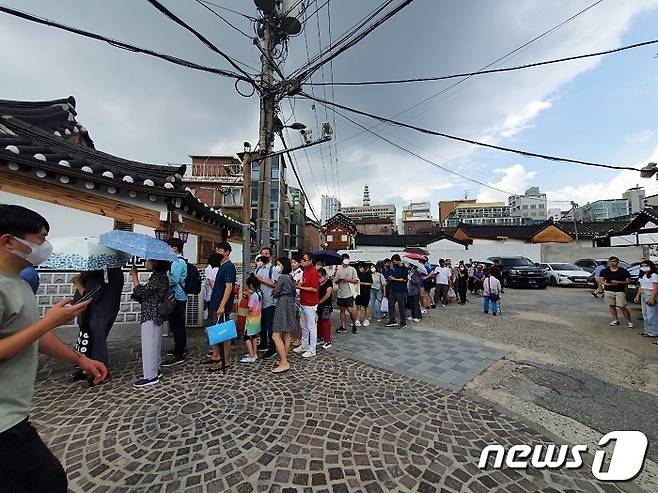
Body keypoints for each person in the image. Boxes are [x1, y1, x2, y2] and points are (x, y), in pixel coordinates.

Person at [0, 205, 106, 493]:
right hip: (4, 421)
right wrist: (48, 322)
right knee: (50, 482)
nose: (45, 246)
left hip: (14, 413)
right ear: (9, 241)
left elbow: (33, 335)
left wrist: (81, 358)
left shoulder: (19, 283)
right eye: (40, 238)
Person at [70, 267, 124, 384]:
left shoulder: (98, 270)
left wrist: (78, 283)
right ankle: (87, 368)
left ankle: (98, 371)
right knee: (93, 339)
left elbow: (92, 296)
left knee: (96, 341)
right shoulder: (116, 269)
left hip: (98, 311)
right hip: (109, 309)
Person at [129, 259, 170, 387]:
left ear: (155, 263)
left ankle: (150, 376)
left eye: (149, 260)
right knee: (154, 343)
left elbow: (141, 292)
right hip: (153, 312)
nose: (146, 262)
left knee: (149, 344)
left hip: (151, 313)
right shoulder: (159, 277)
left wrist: (134, 277)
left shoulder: (158, 278)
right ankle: (155, 370)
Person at [206, 242, 237, 371]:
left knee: (224, 332)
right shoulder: (220, 266)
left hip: (221, 305)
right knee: (214, 330)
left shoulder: (229, 267)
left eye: (220, 250)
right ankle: (217, 355)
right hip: (215, 302)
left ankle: (226, 360)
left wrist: (222, 305)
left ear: (227, 252)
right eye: (216, 249)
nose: (217, 252)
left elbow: (229, 287)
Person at [162, 238, 188, 367]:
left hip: (177, 296)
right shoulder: (177, 261)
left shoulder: (176, 262)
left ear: (174, 248)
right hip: (178, 296)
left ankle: (179, 353)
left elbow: (174, 280)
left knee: (177, 325)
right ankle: (180, 348)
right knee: (177, 325)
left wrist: (163, 280)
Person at [293, 253, 320, 358]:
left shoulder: (313, 272)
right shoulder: (305, 272)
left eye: (304, 260)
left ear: (310, 261)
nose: (302, 261)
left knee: (311, 327)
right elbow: (303, 284)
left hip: (311, 303)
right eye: (302, 260)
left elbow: (314, 289)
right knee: (303, 325)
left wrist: (301, 288)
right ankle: (304, 344)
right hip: (303, 302)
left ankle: (312, 349)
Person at [272, 257, 297, 373]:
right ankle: (284, 358)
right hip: (290, 303)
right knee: (287, 333)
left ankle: (284, 362)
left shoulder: (282, 277)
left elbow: (276, 292)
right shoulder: (291, 277)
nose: (277, 266)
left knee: (275, 334)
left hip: (282, 303)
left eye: (278, 264)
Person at [254, 247, 279, 360]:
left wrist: (262, 279)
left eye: (266, 254)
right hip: (259, 302)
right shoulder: (258, 268)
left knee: (270, 326)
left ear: (270, 256)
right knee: (262, 325)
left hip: (270, 302)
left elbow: (276, 285)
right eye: (262, 253)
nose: (263, 255)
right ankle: (263, 343)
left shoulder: (273, 269)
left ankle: (272, 348)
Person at [599, 256, 633, 328]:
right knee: (611, 306)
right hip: (608, 290)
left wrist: (619, 282)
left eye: (614, 261)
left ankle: (629, 321)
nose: (612, 263)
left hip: (620, 291)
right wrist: (607, 284)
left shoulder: (623, 271)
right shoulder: (605, 271)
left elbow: (628, 281)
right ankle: (615, 320)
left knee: (622, 306)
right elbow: (601, 280)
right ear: (609, 262)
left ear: (617, 262)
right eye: (611, 261)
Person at [334, 253, 359, 334]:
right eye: (344, 259)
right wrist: (340, 280)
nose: (345, 260)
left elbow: (356, 281)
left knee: (350, 310)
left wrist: (348, 279)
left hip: (349, 293)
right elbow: (336, 281)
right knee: (342, 310)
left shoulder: (352, 269)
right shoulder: (339, 270)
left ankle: (354, 323)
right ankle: (343, 326)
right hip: (341, 293)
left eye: (346, 259)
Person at [241, 275, 262, 363]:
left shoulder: (253, 296)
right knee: (254, 336)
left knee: (246, 337)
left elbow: (250, 308)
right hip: (257, 320)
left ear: (251, 286)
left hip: (251, 320)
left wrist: (248, 296)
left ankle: (251, 356)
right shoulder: (259, 293)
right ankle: (254, 353)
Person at [634, 260, 658, 338]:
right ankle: (647, 330)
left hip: (650, 294)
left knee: (652, 314)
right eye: (642, 266)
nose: (644, 267)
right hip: (643, 294)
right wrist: (637, 296)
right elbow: (641, 287)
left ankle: (653, 332)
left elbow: (655, 287)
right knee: (645, 314)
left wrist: (652, 297)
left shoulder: (654, 275)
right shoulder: (642, 276)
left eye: (646, 265)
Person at [385, 254, 409, 329]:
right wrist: (390, 278)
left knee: (401, 306)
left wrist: (394, 279)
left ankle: (403, 322)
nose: (393, 263)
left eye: (395, 262)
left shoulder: (404, 268)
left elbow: (404, 279)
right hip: (393, 289)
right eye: (393, 262)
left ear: (399, 261)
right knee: (390, 304)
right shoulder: (393, 268)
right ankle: (392, 320)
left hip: (401, 290)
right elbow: (391, 276)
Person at [317, 268, 333, 349]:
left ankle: (328, 341)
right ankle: (321, 338)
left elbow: (328, 295)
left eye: (319, 276)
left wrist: (320, 301)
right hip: (319, 306)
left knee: (325, 322)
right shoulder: (318, 283)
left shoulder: (329, 282)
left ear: (324, 276)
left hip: (326, 306)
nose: (318, 278)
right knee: (319, 322)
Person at [203, 253, 221, 324]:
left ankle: (212, 331)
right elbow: (213, 285)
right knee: (215, 318)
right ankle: (215, 332)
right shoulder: (215, 269)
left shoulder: (209, 268)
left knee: (212, 316)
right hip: (214, 297)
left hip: (209, 296)